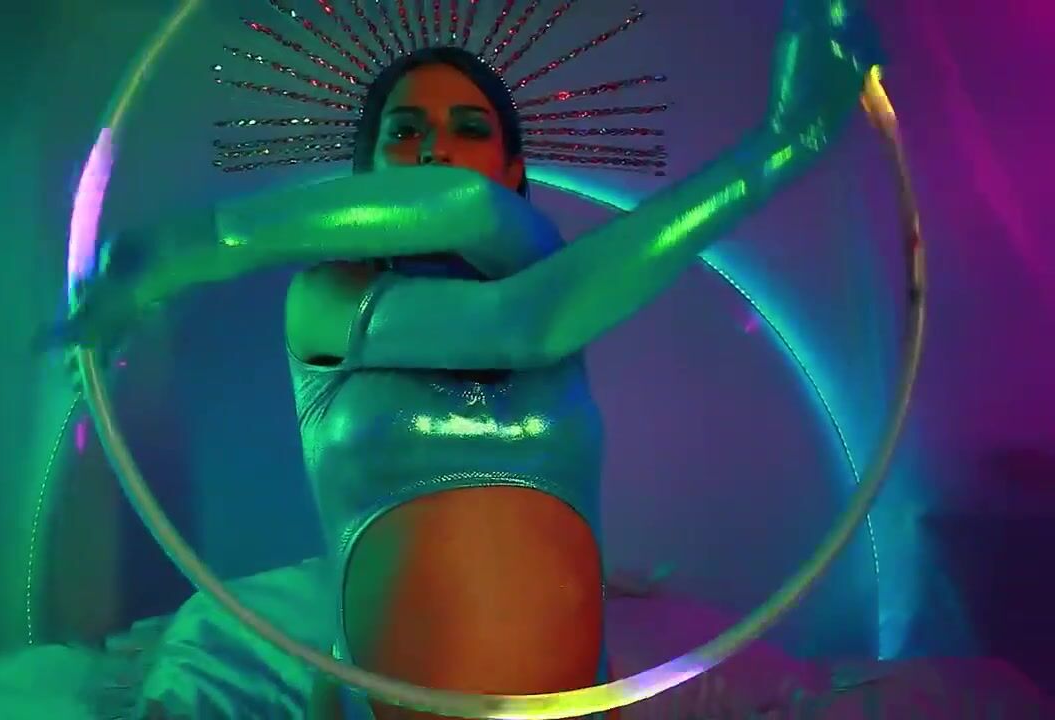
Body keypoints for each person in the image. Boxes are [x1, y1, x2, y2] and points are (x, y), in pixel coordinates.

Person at [60, 0, 880, 717]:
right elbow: (509, 308)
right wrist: (782, 144)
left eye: (470, 130)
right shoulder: (327, 297)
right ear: (364, 177)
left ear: (514, 169)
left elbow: (497, 255)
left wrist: (190, 247)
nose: (433, 150)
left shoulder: (551, 276)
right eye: (404, 133)